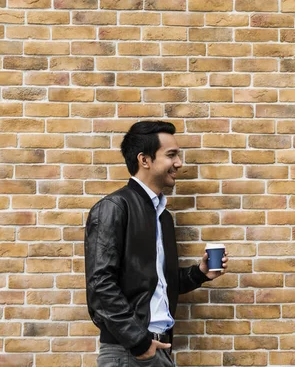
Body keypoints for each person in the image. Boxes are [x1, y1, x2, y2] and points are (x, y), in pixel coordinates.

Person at [85, 121, 228, 367]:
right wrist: (139, 343)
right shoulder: (114, 208)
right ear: (145, 160)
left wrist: (200, 273)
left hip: (157, 351)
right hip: (129, 352)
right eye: (171, 155)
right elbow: (101, 283)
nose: (179, 163)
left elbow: (157, 283)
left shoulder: (162, 216)